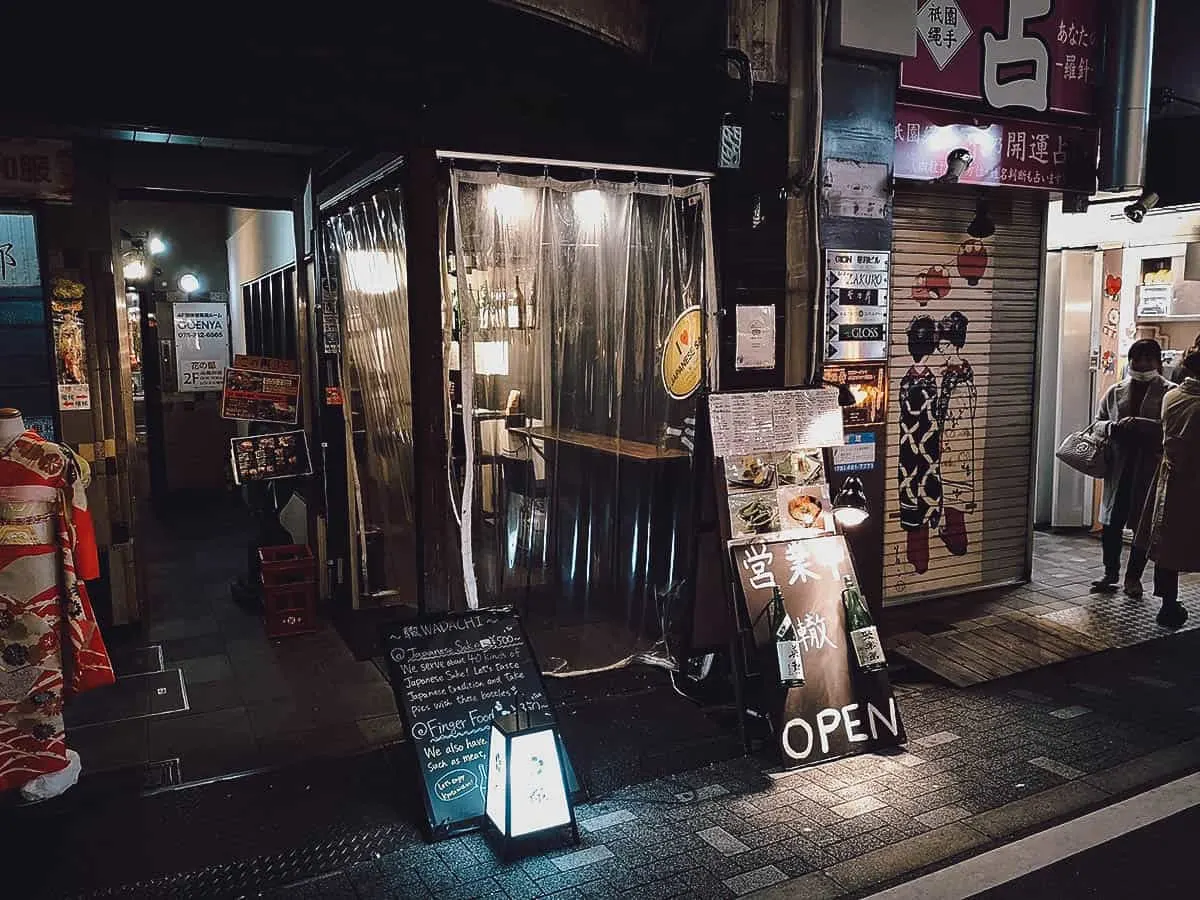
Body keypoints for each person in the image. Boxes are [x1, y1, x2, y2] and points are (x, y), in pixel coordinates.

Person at [1092, 339, 1174, 596]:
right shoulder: (1116, 391)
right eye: (1137, 359)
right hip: (1119, 467)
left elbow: (1173, 428)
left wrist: (1143, 425)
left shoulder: (1170, 392)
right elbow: (1096, 423)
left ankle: (1133, 578)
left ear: (1158, 363)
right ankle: (1110, 572)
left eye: (1148, 359)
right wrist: (1111, 428)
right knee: (1112, 523)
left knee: (1142, 526)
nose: (1141, 365)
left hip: (1150, 467)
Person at [1134, 350, 1200, 628]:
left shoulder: (1172, 397)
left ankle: (1168, 604)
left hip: (1170, 480)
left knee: (1167, 544)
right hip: (1194, 482)